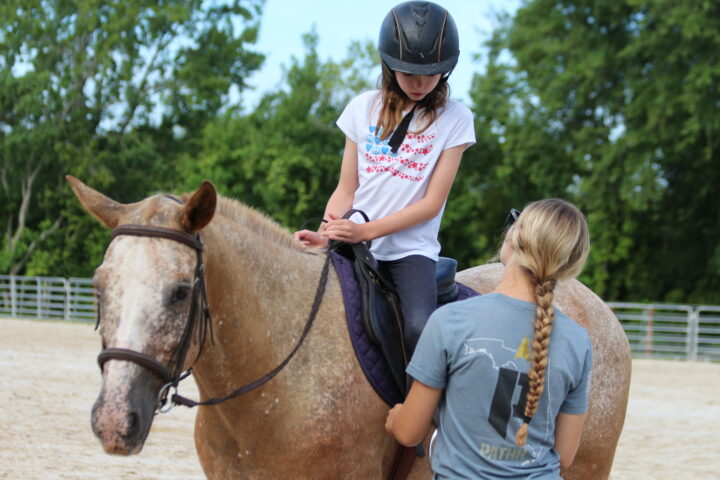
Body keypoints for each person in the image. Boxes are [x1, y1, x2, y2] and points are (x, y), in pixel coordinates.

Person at [294, 1, 476, 356]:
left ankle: (423, 411)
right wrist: (328, 234)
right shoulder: (362, 108)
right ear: (389, 65)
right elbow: (347, 189)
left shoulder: (456, 119)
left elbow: (431, 205)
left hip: (410, 252)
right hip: (354, 241)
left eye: (430, 73)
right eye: (409, 73)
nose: (420, 82)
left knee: (419, 328)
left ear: (447, 69)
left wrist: (366, 232)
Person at [385, 198, 593, 479]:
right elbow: (565, 455)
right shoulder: (578, 341)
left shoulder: (451, 320)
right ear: (571, 264)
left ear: (514, 236)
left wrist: (397, 417)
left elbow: (409, 433)